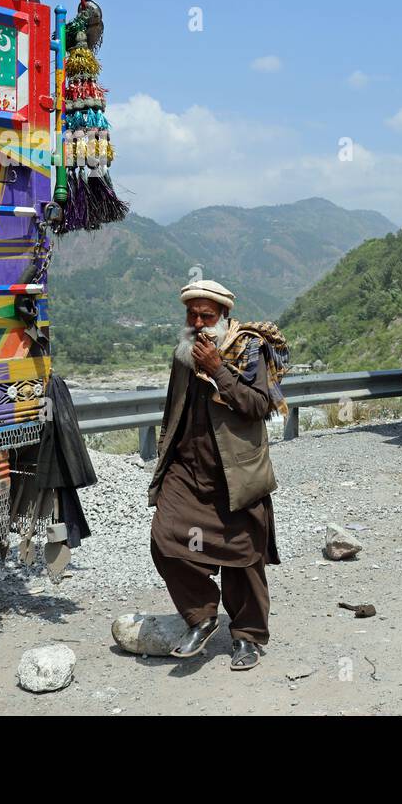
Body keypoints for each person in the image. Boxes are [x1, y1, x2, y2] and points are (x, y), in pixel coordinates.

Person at [147, 279, 289, 671]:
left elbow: (259, 405)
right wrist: (163, 459)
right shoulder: (183, 353)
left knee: (244, 557)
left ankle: (247, 637)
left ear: (224, 315)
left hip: (236, 475)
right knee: (166, 538)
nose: (197, 322)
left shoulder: (249, 349)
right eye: (191, 314)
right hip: (187, 471)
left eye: (205, 315)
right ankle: (202, 615)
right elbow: (172, 410)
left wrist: (218, 370)